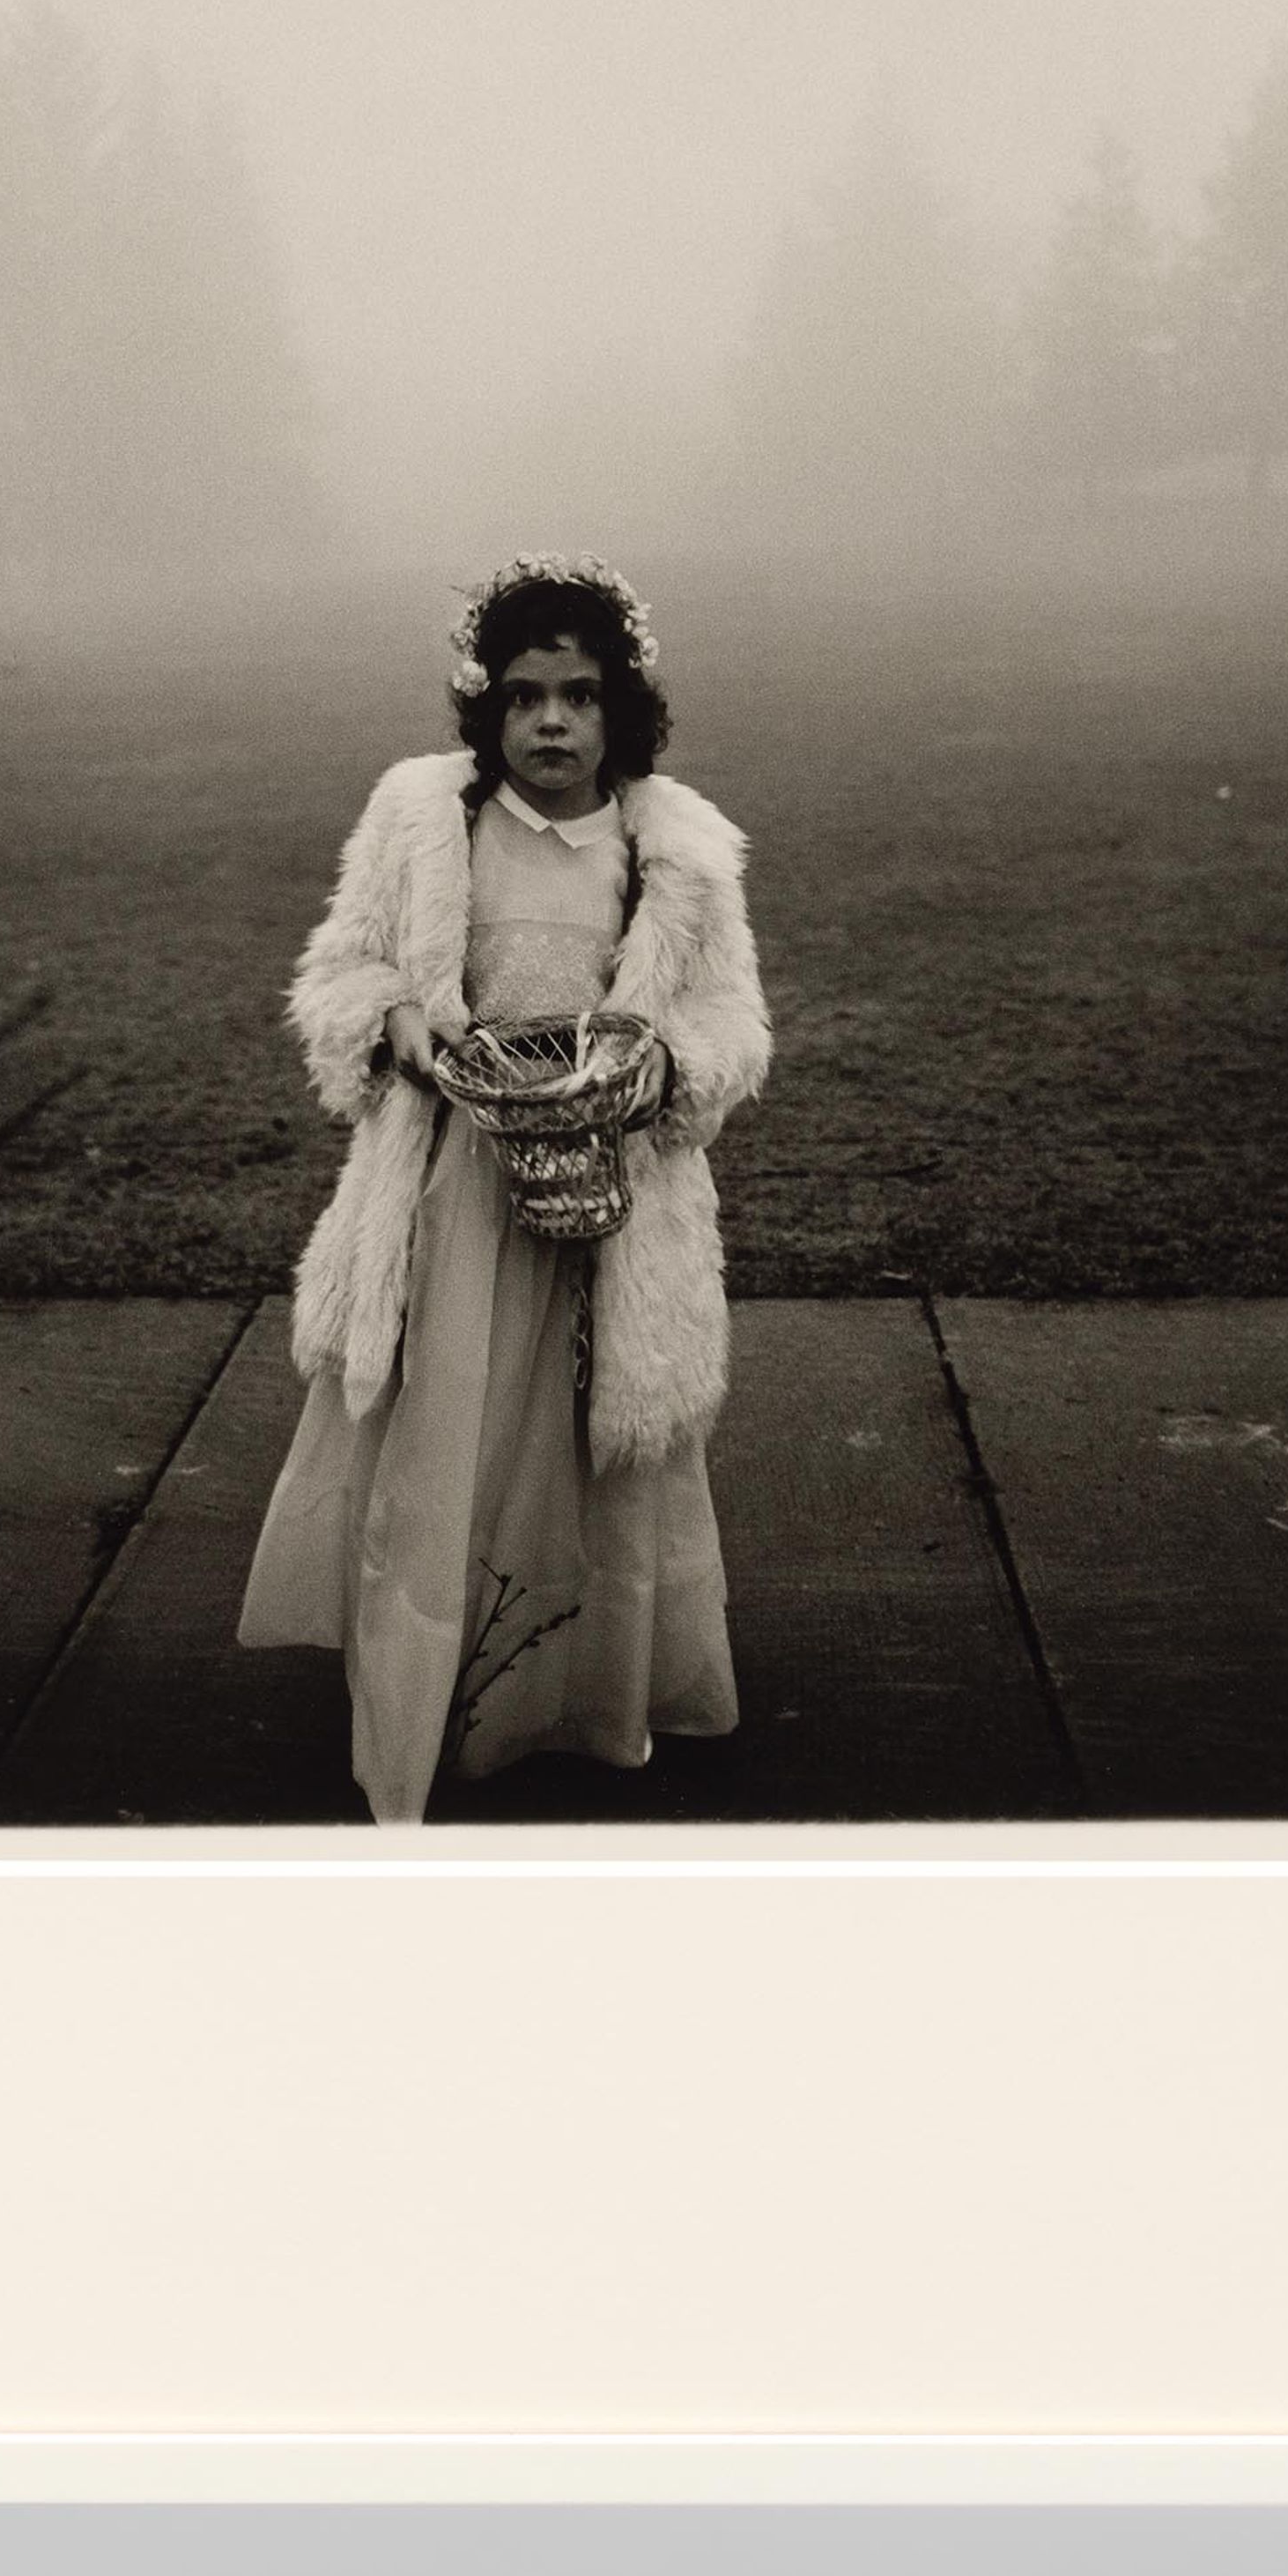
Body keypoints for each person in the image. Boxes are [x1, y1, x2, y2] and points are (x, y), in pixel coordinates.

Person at [236, 557, 772, 1822]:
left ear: (620, 711)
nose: (550, 723)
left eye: (579, 696)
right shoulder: (425, 823)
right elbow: (342, 972)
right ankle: (435, 1702)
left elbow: (733, 1021)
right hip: (453, 1200)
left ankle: (578, 1696)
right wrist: (400, 1022)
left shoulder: (674, 852)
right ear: (485, 708)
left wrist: (657, 1069)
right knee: (451, 1434)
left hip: (611, 1208)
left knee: (592, 1447)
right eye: (525, 695)